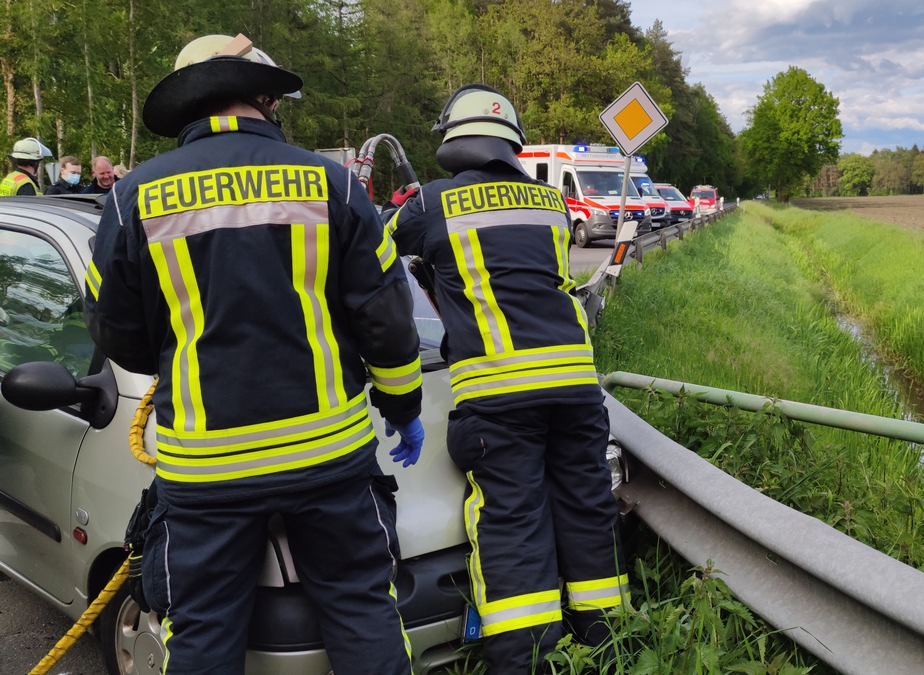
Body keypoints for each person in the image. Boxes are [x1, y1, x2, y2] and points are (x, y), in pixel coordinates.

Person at [85, 33, 426, 674]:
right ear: (266, 97)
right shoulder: (334, 185)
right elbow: (387, 319)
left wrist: (176, 351)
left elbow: (111, 329)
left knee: (204, 636)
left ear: (188, 105)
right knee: (362, 612)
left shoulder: (134, 198)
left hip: (206, 468)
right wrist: (403, 403)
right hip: (327, 455)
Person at [386, 83, 627, 674]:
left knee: (513, 523)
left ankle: (529, 662)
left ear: (453, 144)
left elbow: (380, 253)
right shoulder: (551, 201)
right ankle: (608, 645)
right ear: (511, 144)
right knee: (586, 508)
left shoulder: (431, 203)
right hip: (574, 382)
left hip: (499, 392)